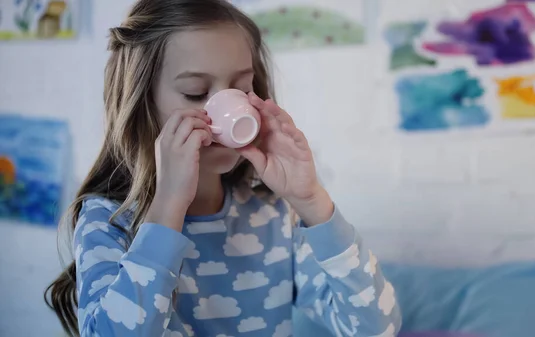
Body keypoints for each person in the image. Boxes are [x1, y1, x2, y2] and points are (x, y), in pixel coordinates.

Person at [45, 0, 401, 336]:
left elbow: (377, 327)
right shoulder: (108, 222)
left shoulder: (274, 215)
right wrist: (169, 205)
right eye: (196, 92)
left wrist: (311, 201)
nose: (228, 110)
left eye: (241, 88)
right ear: (143, 105)